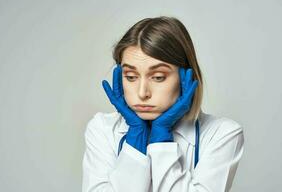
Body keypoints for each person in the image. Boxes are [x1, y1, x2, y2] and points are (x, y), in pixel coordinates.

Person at [82, 16, 244, 192]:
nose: (142, 93)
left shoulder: (221, 134)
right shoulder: (102, 129)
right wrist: (136, 135)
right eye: (131, 77)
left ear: (186, 77)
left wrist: (161, 138)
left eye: (158, 77)